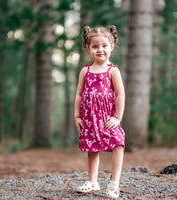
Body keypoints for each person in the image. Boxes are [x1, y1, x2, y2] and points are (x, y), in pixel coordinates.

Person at [74, 25, 125, 199]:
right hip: (89, 118)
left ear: (112, 46)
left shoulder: (113, 71)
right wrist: (77, 116)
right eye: (95, 46)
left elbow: (120, 95)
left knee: (118, 142)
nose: (100, 50)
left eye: (104, 45)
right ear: (88, 48)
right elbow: (79, 94)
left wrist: (117, 117)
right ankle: (92, 181)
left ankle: (114, 182)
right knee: (92, 148)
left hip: (107, 118)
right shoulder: (85, 71)